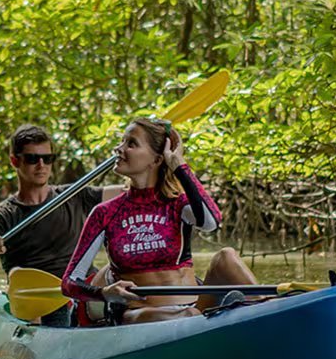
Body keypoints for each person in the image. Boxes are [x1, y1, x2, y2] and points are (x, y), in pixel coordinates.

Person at [60, 117, 257, 325]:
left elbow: (211, 222)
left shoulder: (178, 205)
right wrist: (104, 293)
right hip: (141, 314)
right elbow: (69, 283)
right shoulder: (104, 213)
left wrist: (179, 165)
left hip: (194, 307)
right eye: (122, 142)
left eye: (131, 143)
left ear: (156, 160)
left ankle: (265, 309)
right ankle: (232, 314)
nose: (119, 149)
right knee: (181, 317)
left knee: (226, 257)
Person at [0, 125, 123, 324]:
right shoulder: (3, 216)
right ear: (14, 161)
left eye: (48, 158)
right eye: (32, 159)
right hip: (39, 299)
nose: (41, 165)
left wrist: (154, 158)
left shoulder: (74, 195)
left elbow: (129, 191)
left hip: (82, 288)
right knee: (52, 312)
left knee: (115, 274)